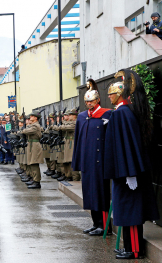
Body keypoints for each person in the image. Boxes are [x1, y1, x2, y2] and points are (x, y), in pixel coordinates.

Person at [104, 70, 159, 259]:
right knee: (125, 211)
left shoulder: (123, 113)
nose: (109, 97)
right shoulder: (122, 112)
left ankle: (134, 249)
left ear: (118, 94)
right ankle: (128, 246)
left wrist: (130, 173)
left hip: (129, 172)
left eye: (111, 94)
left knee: (131, 211)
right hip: (125, 171)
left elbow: (127, 145)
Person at [72, 79, 112, 237]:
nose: (89, 103)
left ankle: (104, 226)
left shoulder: (107, 114)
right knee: (89, 193)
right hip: (87, 162)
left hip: (99, 161)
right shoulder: (82, 117)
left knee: (100, 194)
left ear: (98, 100)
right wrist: (78, 161)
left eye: (92, 101)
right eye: (87, 101)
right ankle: (95, 223)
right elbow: (78, 141)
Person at [22, 111, 44, 189]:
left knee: (34, 163)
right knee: (31, 163)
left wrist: (23, 130)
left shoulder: (35, 125)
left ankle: (37, 182)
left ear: (35, 118)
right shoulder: (33, 125)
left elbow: (27, 131)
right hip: (31, 145)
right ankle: (33, 179)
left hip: (35, 145)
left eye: (32, 116)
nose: (30, 117)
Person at [59, 109, 81, 181]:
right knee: (67, 161)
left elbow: (65, 127)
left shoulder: (75, 123)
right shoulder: (70, 122)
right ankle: (68, 176)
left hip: (72, 142)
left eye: (70, 115)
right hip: (68, 141)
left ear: (74, 116)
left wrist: (60, 126)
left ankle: (75, 178)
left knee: (71, 160)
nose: (68, 116)